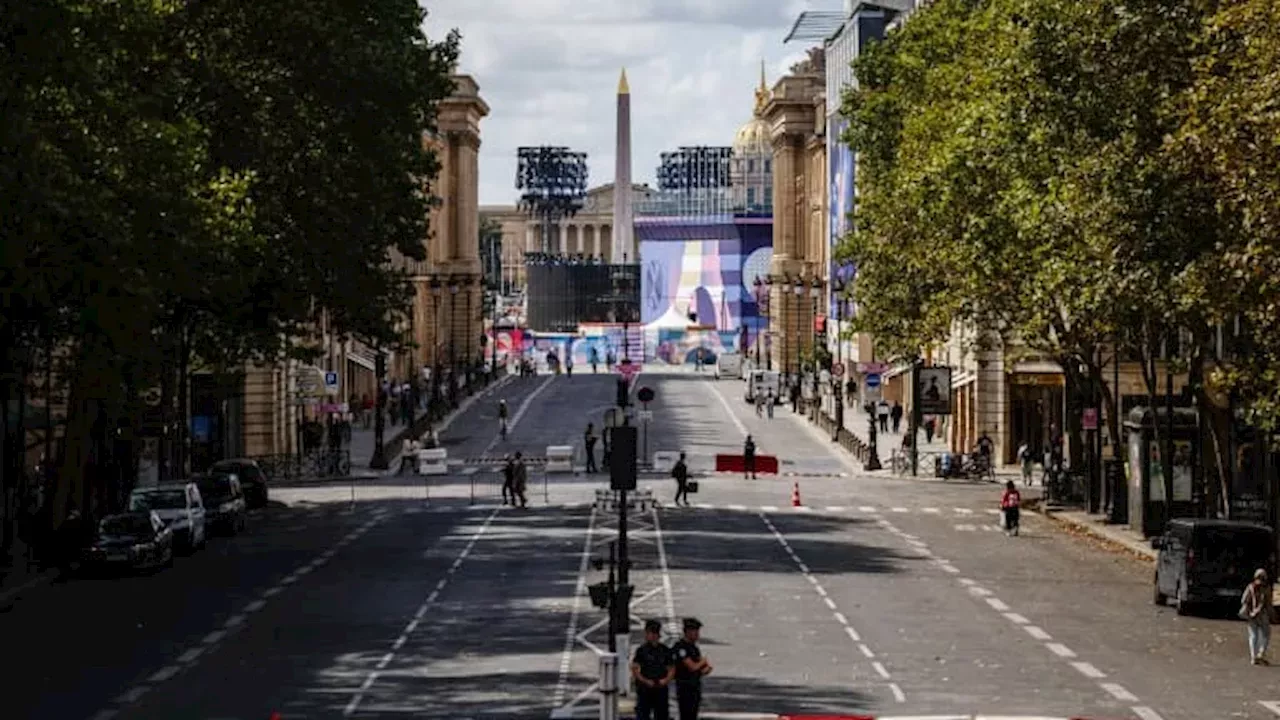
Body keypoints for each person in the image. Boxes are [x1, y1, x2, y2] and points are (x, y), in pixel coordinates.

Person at [632, 619, 674, 720]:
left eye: (655, 633)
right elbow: (635, 669)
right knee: (643, 715)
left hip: (660, 688)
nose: (652, 636)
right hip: (645, 689)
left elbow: (671, 668)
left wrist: (665, 680)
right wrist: (645, 681)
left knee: (661, 715)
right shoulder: (641, 651)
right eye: (650, 633)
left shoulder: (664, 650)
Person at [672, 617, 712, 720]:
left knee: (693, 715)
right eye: (695, 631)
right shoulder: (681, 647)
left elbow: (700, 668)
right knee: (686, 715)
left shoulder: (694, 648)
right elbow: (692, 666)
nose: (698, 634)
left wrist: (705, 669)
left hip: (695, 687)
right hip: (684, 687)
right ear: (688, 631)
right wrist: (702, 662)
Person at [1241, 568, 1273, 665]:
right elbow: (1268, 603)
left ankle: (1253, 657)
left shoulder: (1250, 587)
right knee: (1266, 634)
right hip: (1262, 614)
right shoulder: (1267, 588)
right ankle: (1261, 653)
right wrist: (1272, 615)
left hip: (1251, 614)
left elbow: (1243, 600)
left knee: (1253, 636)